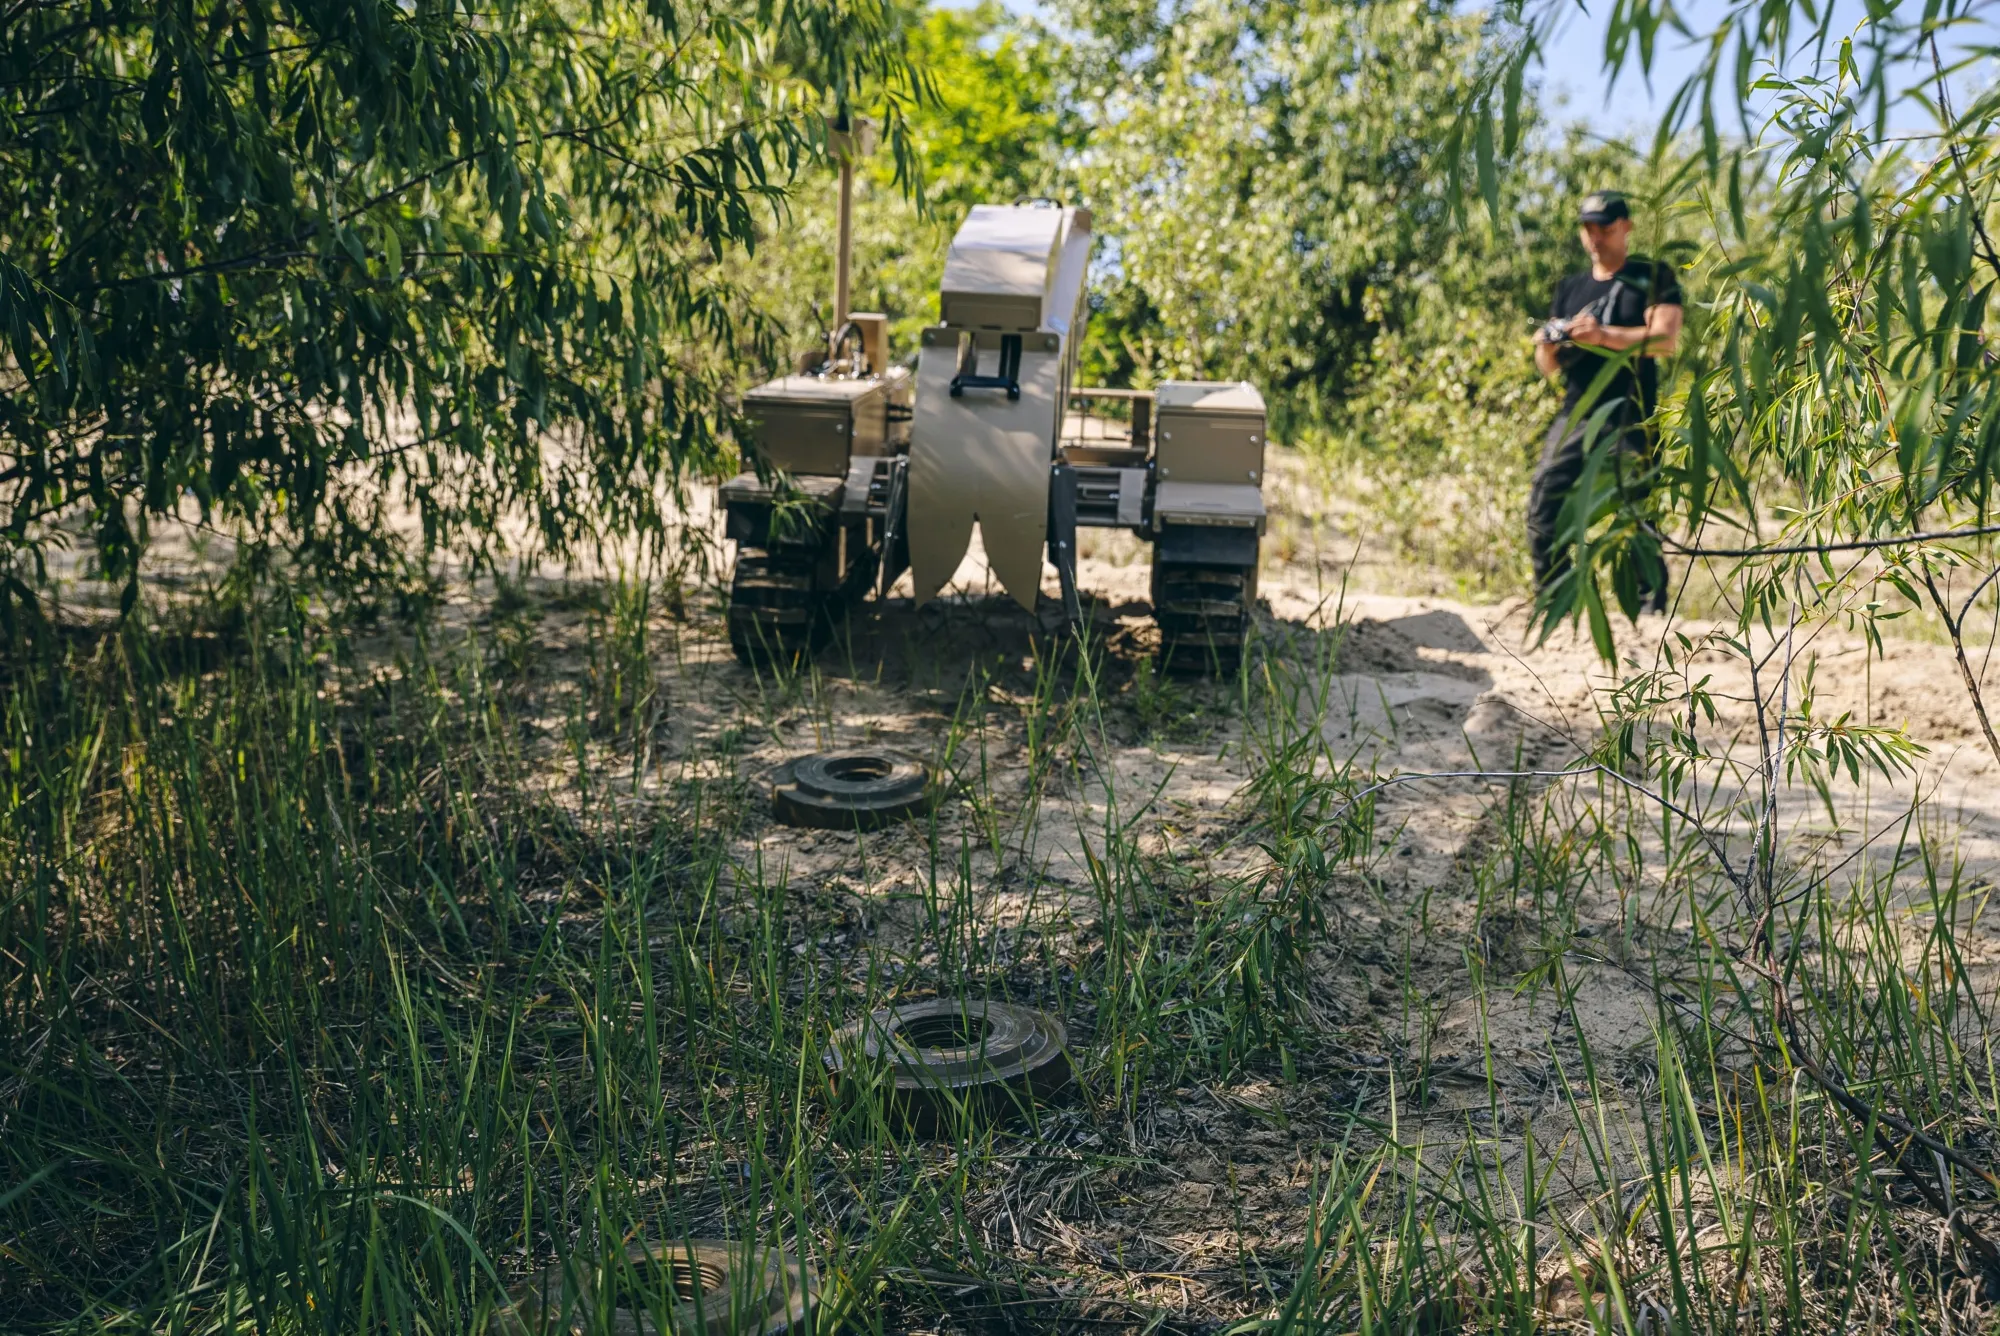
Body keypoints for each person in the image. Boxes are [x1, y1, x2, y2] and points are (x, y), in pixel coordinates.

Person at [1529, 190, 1684, 609]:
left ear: (1626, 227)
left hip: (1631, 415)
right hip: (1577, 412)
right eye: (1588, 228)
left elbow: (1664, 341)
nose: (1595, 237)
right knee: (1545, 498)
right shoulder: (1571, 287)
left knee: (1636, 513)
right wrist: (1546, 344)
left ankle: (1648, 607)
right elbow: (1551, 367)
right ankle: (1556, 600)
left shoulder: (1652, 275)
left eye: (1605, 228)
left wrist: (1602, 337)